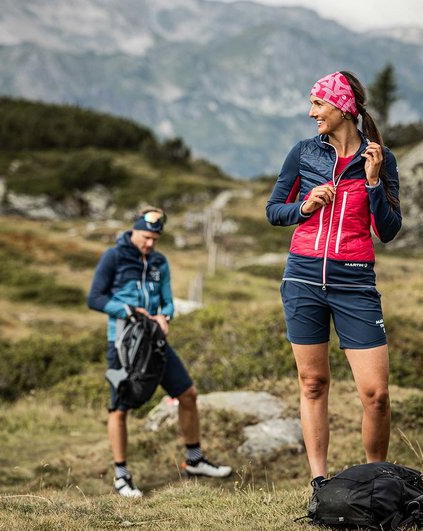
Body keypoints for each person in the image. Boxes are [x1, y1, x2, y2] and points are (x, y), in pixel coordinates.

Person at [265, 71, 402, 488]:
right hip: (303, 278)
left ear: (342, 107)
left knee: (376, 395)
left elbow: (390, 230)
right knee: (312, 383)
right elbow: (274, 210)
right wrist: (304, 207)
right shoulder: (304, 154)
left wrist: (375, 182)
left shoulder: (380, 159)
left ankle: (376, 480)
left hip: (355, 283)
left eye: (317, 104)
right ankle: (320, 485)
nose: (311, 113)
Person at [87, 208, 232, 497]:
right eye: (146, 237)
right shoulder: (113, 257)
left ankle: (194, 460)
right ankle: (121, 474)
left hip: (155, 343)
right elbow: (95, 298)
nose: (150, 243)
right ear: (134, 230)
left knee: (188, 394)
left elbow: (167, 299)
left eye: (155, 238)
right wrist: (129, 310)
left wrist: (165, 316)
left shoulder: (159, 261)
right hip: (123, 346)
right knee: (119, 408)